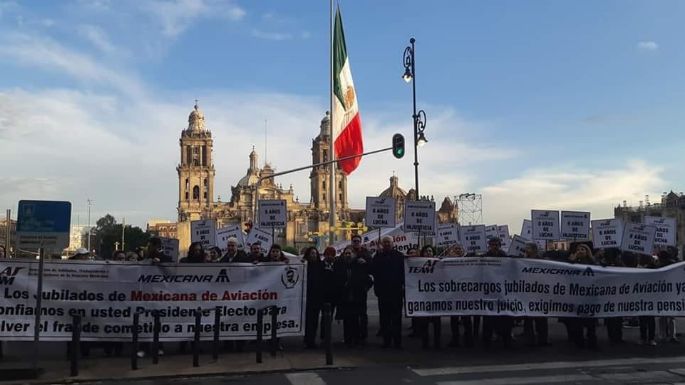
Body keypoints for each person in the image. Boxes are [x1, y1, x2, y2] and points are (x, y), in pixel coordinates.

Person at [370, 236, 405, 349]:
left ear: (392, 243)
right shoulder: (378, 256)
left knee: (396, 318)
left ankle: (397, 341)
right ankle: (386, 341)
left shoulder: (399, 256)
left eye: (388, 242)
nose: (387, 244)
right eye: (384, 242)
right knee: (384, 318)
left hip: (396, 291)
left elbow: (403, 273)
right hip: (383, 292)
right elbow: (373, 270)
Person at [336, 246, 372, 347]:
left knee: (358, 318)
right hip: (345, 296)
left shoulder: (360, 264)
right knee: (347, 319)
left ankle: (358, 337)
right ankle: (348, 338)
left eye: (350, 253)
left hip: (358, 296)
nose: (348, 255)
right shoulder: (340, 265)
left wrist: (364, 289)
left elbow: (369, 279)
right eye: (346, 253)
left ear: (354, 254)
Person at [481, 237, 513, 348]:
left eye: (496, 244)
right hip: (489, 291)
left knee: (504, 317)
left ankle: (506, 339)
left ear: (499, 245)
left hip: (502, 291)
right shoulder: (485, 257)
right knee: (488, 317)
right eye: (493, 244)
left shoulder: (504, 256)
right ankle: (487, 340)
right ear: (489, 245)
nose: (495, 246)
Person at [566, 243, 598, 350]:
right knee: (577, 322)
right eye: (578, 249)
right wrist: (574, 258)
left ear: (587, 251)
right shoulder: (572, 261)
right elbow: (567, 269)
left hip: (589, 296)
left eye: (583, 249)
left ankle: (592, 341)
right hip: (576, 296)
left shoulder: (592, 262)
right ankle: (579, 341)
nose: (580, 251)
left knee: (590, 322)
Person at [444, 243, 474, 348]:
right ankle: (455, 339)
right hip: (453, 294)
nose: (457, 251)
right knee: (454, 319)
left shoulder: (469, 261)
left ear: (463, 250)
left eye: (459, 249)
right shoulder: (448, 262)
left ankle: (468, 339)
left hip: (466, 294)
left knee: (466, 319)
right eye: (455, 249)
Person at [522, 242, 549, 346]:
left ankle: (543, 339)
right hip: (527, 292)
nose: (526, 250)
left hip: (539, 292)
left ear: (533, 249)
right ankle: (529, 339)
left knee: (541, 318)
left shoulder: (541, 260)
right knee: (528, 318)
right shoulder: (523, 260)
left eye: (528, 248)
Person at [417, 245, 441, 349]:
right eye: (426, 251)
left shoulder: (439, 263)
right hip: (424, 296)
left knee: (437, 322)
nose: (428, 253)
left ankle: (437, 343)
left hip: (436, 297)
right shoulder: (417, 264)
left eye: (430, 251)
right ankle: (425, 342)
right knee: (424, 323)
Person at [350, 234, 372, 341]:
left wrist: (366, 262)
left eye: (358, 241)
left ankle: (363, 335)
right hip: (351, 287)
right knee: (352, 312)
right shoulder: (349, 252)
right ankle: (353, 334)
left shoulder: (366, 253)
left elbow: (371, 267)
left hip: (362, 286)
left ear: (361, 242)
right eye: (354, 241)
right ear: (352, 242)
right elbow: (345, 263)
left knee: (362, 312)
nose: (356, 243)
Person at [600, 248, 624, 345]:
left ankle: (616, 336)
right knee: (614, 317)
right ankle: (615, 336)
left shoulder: (619, 265)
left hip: (615, 294)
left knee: (616, 318)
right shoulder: (605, 264)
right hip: (612, 293)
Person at [302, 247, 325, 348]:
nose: (313, 255)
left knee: (314, 320)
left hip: (317, 297)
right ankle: (307, 339)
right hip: (306, 297)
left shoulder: (320, 266)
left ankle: (312, 339)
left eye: (315, 253)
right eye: (311, 253)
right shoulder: (304, 266)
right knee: (307, 320)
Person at [657, 249, 679, 343]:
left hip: (663, 293)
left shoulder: (658, 266)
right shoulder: (673, 265)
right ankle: (671, 335)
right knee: (670, 316)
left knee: (663, 316)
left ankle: (663, 335)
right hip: (670, 293)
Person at [638, 253, 657, 346]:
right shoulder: (637, 268)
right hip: (643, 295)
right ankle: (646, 338)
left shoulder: (653, 267)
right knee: (645, 319)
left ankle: (649, 338)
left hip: (649, 295)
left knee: (648, 319)